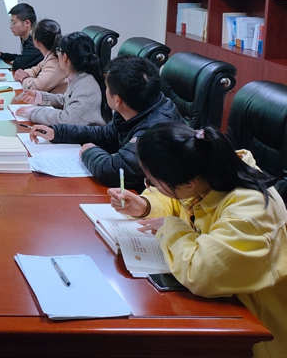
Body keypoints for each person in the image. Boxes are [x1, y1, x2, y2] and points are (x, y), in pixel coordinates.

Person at [108, 122, 287, 358]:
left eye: (153, 182)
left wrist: (171, 227)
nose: (150, 186)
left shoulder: (250, 211)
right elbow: (176, 201)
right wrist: (147, 205)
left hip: (256, 333)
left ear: (188, 183)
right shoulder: (207, 169)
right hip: (222, 311)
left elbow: (201, 273)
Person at [29, 56, 181, 189]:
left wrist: (89, 152)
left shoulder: (156, 131)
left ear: (117, 100)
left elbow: (115, 171)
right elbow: (107, 135)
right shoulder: (137, 108)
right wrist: (58, 132)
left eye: (106, 87)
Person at [16, 31, 110, 126]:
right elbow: (66, 100)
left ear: (64, 57)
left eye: (58, 51)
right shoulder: (80, 77)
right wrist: (40, 97)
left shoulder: (86, 86)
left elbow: (67, 119)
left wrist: (34, 113)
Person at [0, 3, 43, 71]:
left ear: (27, 23)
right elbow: (23, 57)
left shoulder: (36, 42)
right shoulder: (28, 39)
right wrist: (0, 55)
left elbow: (18, 64)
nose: (11, 27)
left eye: (14, 23)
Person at [11, 18, 67, 90]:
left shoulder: (55, 62)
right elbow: (35, 70)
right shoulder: (51, 56)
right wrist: (24, 73)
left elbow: (36, 86)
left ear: (37, 41)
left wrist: (24, 79)